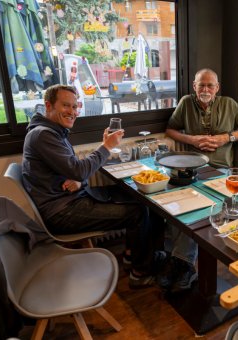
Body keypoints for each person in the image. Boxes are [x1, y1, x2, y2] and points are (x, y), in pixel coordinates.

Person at [22, 84, 162, 287]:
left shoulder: (52, 131)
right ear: (48, 105)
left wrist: (80, 179)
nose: (72, 112)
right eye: (66, 106)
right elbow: (79, 170)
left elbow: (77, 171)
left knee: (138, 197)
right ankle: (140, 273)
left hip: (68, 199)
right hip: (61, 212)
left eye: (75, 106)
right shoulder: (43, 135)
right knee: (139, 211)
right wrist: (106, 147)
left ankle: (133, 256)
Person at [161, 68, 238, 292]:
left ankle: (182, 263)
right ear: (194, 86)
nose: (205, 89)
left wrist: (226, 137)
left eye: (209, 85)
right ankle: (181, 261)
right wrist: (191, 139)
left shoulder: (229, 104)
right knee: (177, 209)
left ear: (217, 88)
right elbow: (170, 130)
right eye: (201, 85)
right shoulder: (185, 102)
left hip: (221, 172)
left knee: (197, 212)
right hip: (191, 167)